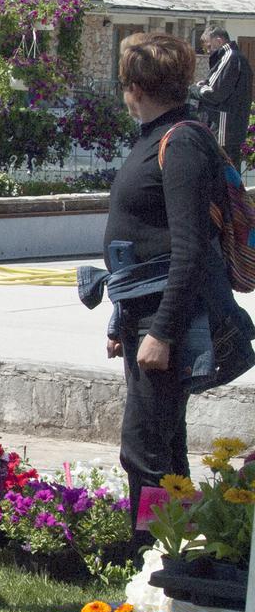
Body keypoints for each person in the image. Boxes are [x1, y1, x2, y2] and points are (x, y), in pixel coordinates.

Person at [104, 32, 255, 545]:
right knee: (161, 446)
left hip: (167, 320)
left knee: (145, 447)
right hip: (143, 315)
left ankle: (153, 559)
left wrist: (162, 332)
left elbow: (190, 250)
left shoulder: (182, 141)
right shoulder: (158, 134)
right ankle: (181, 553)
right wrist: (121, 322)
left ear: (135, 86)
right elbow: (144, 243)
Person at [193, 26, 251, 170]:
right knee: (228, 172)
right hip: (230, 128)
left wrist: (194, 89)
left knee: (222, 172)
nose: (208, 51)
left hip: (223, 128)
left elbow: (213, 92)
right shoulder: (236, 57)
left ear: (218, 41)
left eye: (208, 46)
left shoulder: (229, 57)